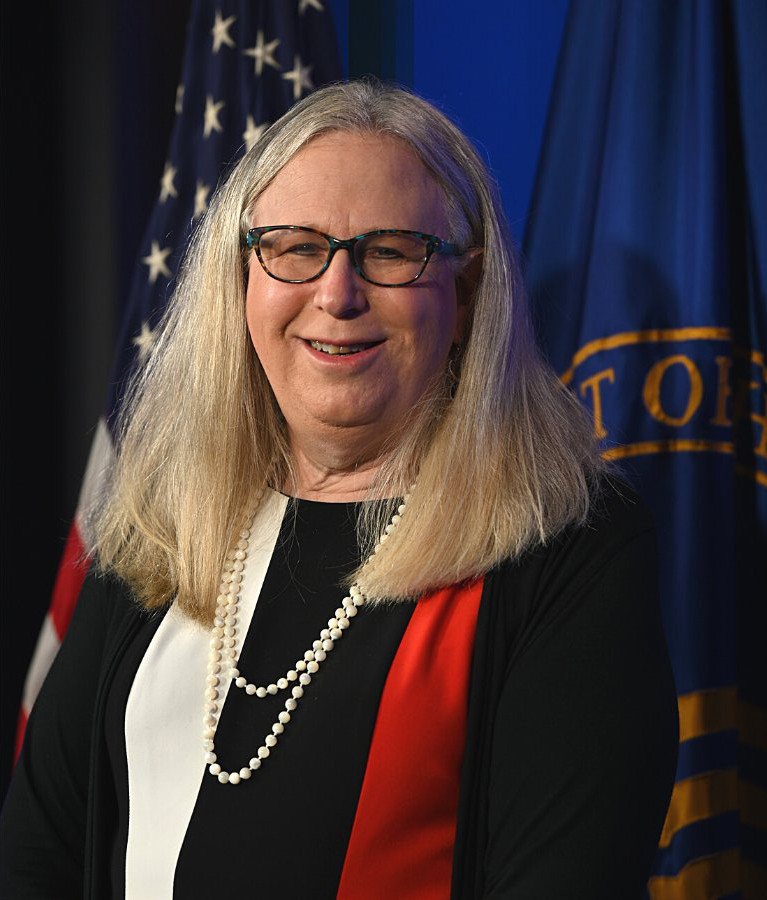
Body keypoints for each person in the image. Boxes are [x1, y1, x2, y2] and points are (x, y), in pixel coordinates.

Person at [0, 80, 678, 898]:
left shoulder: (567, 549)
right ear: (240, 280)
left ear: (464, 294)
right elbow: (37, 852)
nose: (336, 294)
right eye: (293, 247)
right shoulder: (166, 521)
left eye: (389, 251)